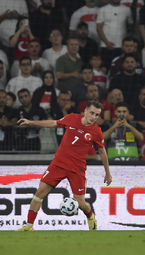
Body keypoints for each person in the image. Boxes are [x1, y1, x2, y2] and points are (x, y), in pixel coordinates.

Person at [17, 101, 112, 232]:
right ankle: (29, 225)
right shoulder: (72, 118)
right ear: (85, 111)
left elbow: (102, 152)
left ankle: (90, 216)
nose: (94, 117)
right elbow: (53, 123)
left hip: (77, 169)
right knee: (40, 192)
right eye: (92, 113)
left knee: (81, 203)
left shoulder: (96, 132)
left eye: (97, 115)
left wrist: (107, 172)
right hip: (59, 163)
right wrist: (31, 122)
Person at [96, 0, 134, 69]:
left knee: (121, 69)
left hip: (122, 48)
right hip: (106, 47)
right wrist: (107, 43)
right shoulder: (103, 9)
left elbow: (130, 25)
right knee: (105, 69)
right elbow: (99, 28)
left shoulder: (127, 10)